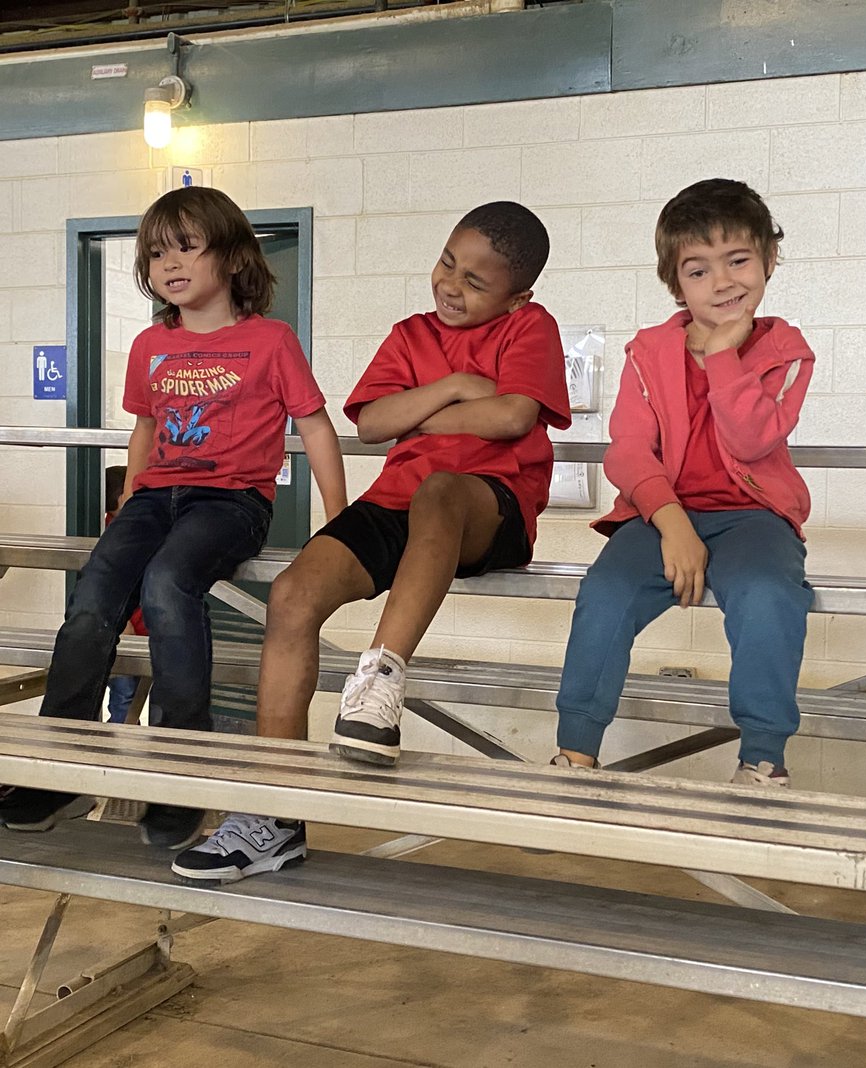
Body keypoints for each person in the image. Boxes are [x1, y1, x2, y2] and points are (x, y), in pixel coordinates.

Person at [171, 200, 571, 884]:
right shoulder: (410, 334)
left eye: (476, 281)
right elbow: (376, 424)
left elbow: (512, 415)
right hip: (397, 500)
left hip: (486, 504)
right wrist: (450, 387)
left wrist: (428, 411)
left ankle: (379, 682)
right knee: (293, 594)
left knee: (441, 489)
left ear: (518, 295)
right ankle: (273, 814)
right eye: (448, 261)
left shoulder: (532, 327)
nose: (451, 283)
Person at [0, 186, 347, 848]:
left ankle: (182, 770)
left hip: (233, 499)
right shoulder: (150, 345)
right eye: (156, 252)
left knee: (166, 585)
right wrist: (131, 494)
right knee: (94, 595)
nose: (169, 262)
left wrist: (337, 519)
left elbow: (316, 427)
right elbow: (146, 426)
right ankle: (61, 766)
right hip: (156, 495)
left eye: (187, 246)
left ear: (235, 257)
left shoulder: (270, 341)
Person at [552, 178, 815, 788]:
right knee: (605, 592)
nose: (722, 282)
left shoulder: (786, 351)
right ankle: (576, 753)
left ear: (770, 259)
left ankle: (763, 758)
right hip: (659, 511)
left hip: (755, 516)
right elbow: (627, 451)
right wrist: (672, 525)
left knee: (769, 595)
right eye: (699, 270)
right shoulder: (649, 351)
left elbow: (753, 441)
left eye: (739, 260)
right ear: (676, 283)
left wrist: (724, 355)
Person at [102, 465, 148, 725]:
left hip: (143, 627)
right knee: (124, 699)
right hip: (128, 628)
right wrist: (123, 622)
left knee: (127, 698)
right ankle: (117, 749)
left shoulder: (126, 526)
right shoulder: (116, 533)